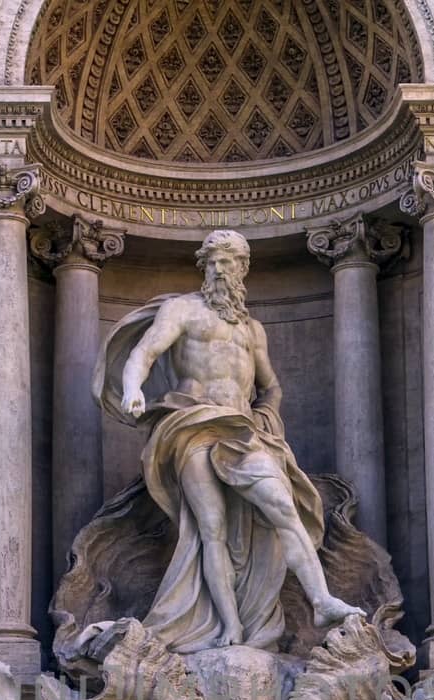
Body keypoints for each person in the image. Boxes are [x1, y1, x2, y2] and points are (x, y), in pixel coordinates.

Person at [94, 229, 361, 653]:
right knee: (211, 528)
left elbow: (271, 386)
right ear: (204, 268)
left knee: (283, 507)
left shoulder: (252, 330)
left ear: (243, 269)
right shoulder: (183, 310)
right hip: (192, 425)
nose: (221, 269)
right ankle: (230, 628)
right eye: (214, 261)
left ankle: (321, 600)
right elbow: (144, 354)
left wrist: (266, 419)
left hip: (241, 431)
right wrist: (132, 389)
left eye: (229, 261)